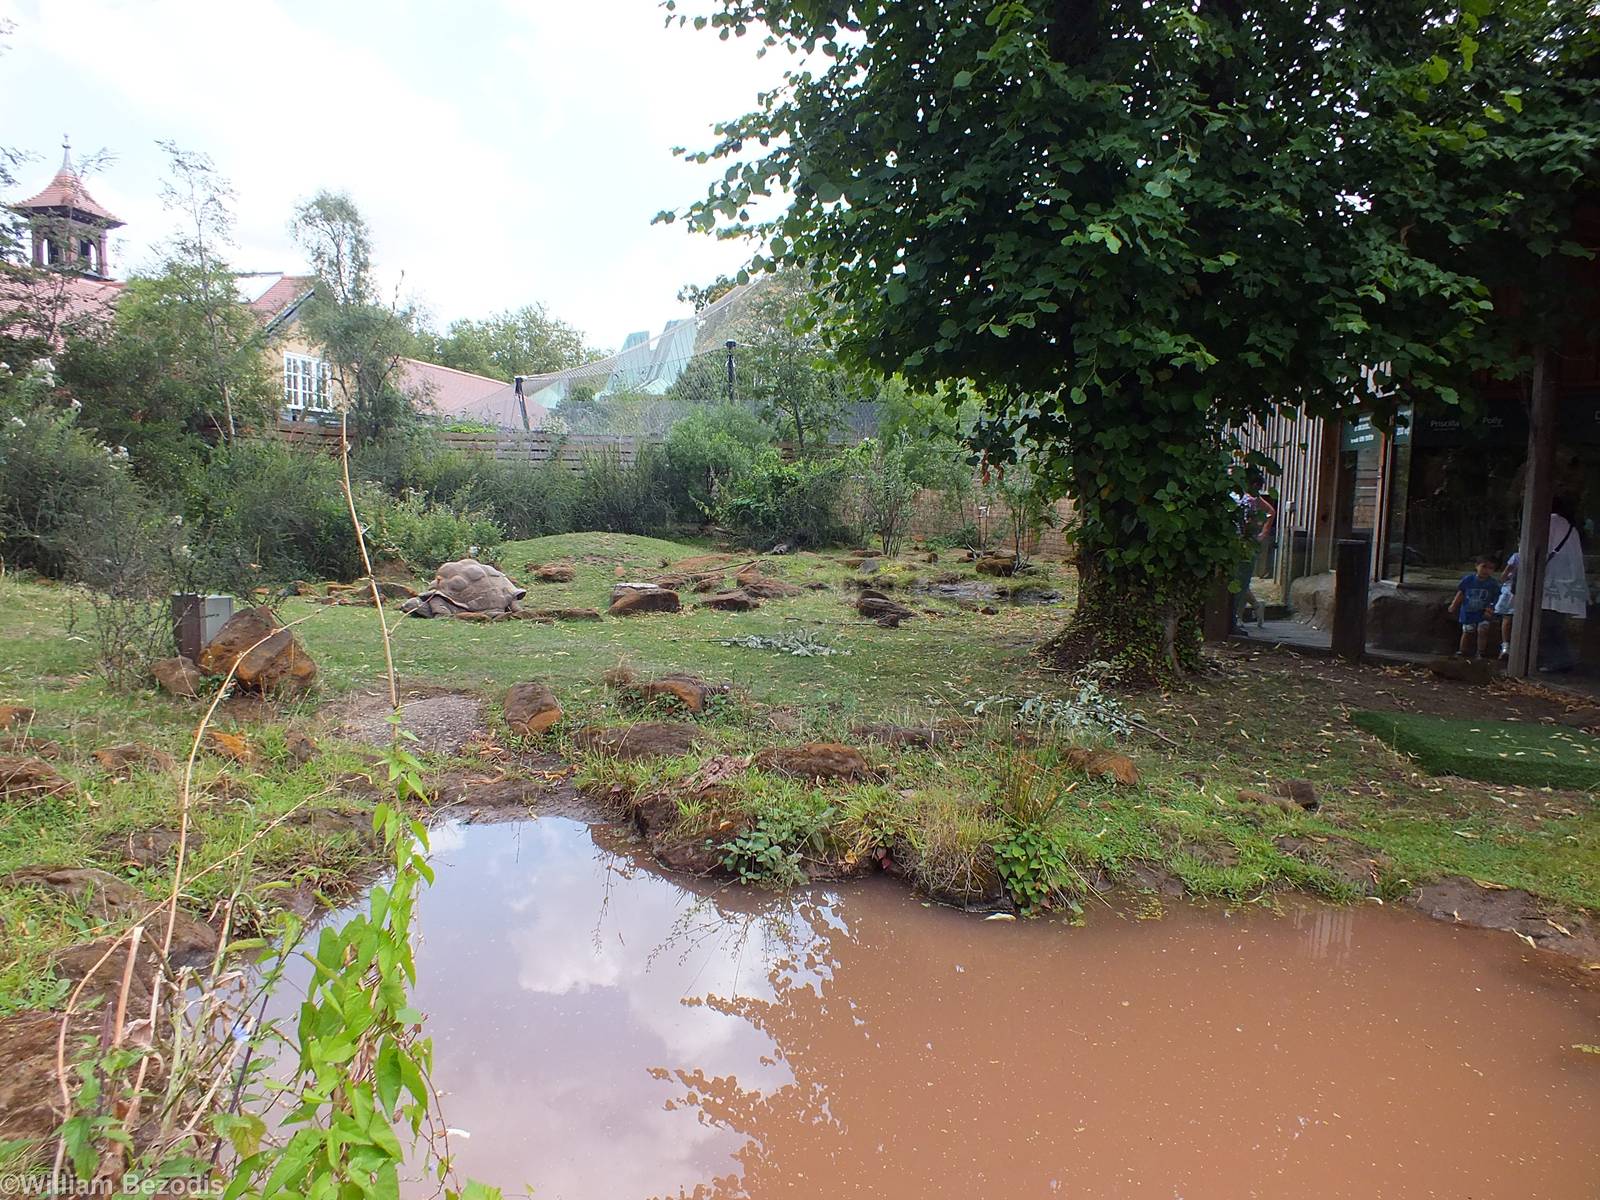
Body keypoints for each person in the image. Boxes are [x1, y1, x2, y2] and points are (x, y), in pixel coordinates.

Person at [1539, 498, 1587, 672]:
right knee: (1555, 623)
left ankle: (1557, 660)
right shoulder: (1570, 528)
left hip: (1549, 580)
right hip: (1565, 582)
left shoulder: (1549, 522)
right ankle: (1561, 658)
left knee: (1548, 624)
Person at [1231, 479, 1277, 633]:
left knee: (1241, 581)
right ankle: (1256, 606)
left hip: (1245, 543)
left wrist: (1263, 533)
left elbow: (1271, 512)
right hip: (1232, 543)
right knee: (1235, 580)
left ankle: (1236, 616)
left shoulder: (1252, 499)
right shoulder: (1231, 495)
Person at [1448, 555, 1502, 658]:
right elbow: (1461, 593)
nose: (1486, 570)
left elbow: (1496, 598)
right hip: (1469, 611)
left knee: (1483, 630)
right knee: (1467, 631)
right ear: (1477, 566)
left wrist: (1491, 609)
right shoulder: (1468, 579)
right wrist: (1454, 604)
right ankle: (1462, 650)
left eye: (1491, 568)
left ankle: (1481, 652)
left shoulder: (1493, 584)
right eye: (1484, 567)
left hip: (1484, 612)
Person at [1495, 551, 1517, 661]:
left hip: (1523, 591)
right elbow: (1504, 574)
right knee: (1507, 618)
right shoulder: (1516, 556)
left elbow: (1503, 575)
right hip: (1512, 591)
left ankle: (1509, 647)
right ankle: (1505, 647)